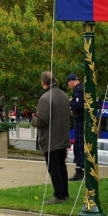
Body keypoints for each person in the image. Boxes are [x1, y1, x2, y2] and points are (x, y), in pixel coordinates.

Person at [32, 71, 71, 205]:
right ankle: (64, 193)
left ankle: (59, 195)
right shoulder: (64, 95)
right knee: (61, 165)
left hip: (51, 139)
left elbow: (41, 120)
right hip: (62, 136)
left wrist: (33, 120)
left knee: (54, 167)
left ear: (43, 82)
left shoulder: (45, 98)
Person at [66, 74, 85, 181]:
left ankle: (80, 171)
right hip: (82, 120)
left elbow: (79, 105)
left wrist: (70, 102)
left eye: (68, 84)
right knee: (79, 146)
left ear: (71, 81)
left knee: (78, 146)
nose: (69, 86)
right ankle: (80, 169)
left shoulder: (77, 90)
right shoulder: (83, 88)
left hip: (79, 120)